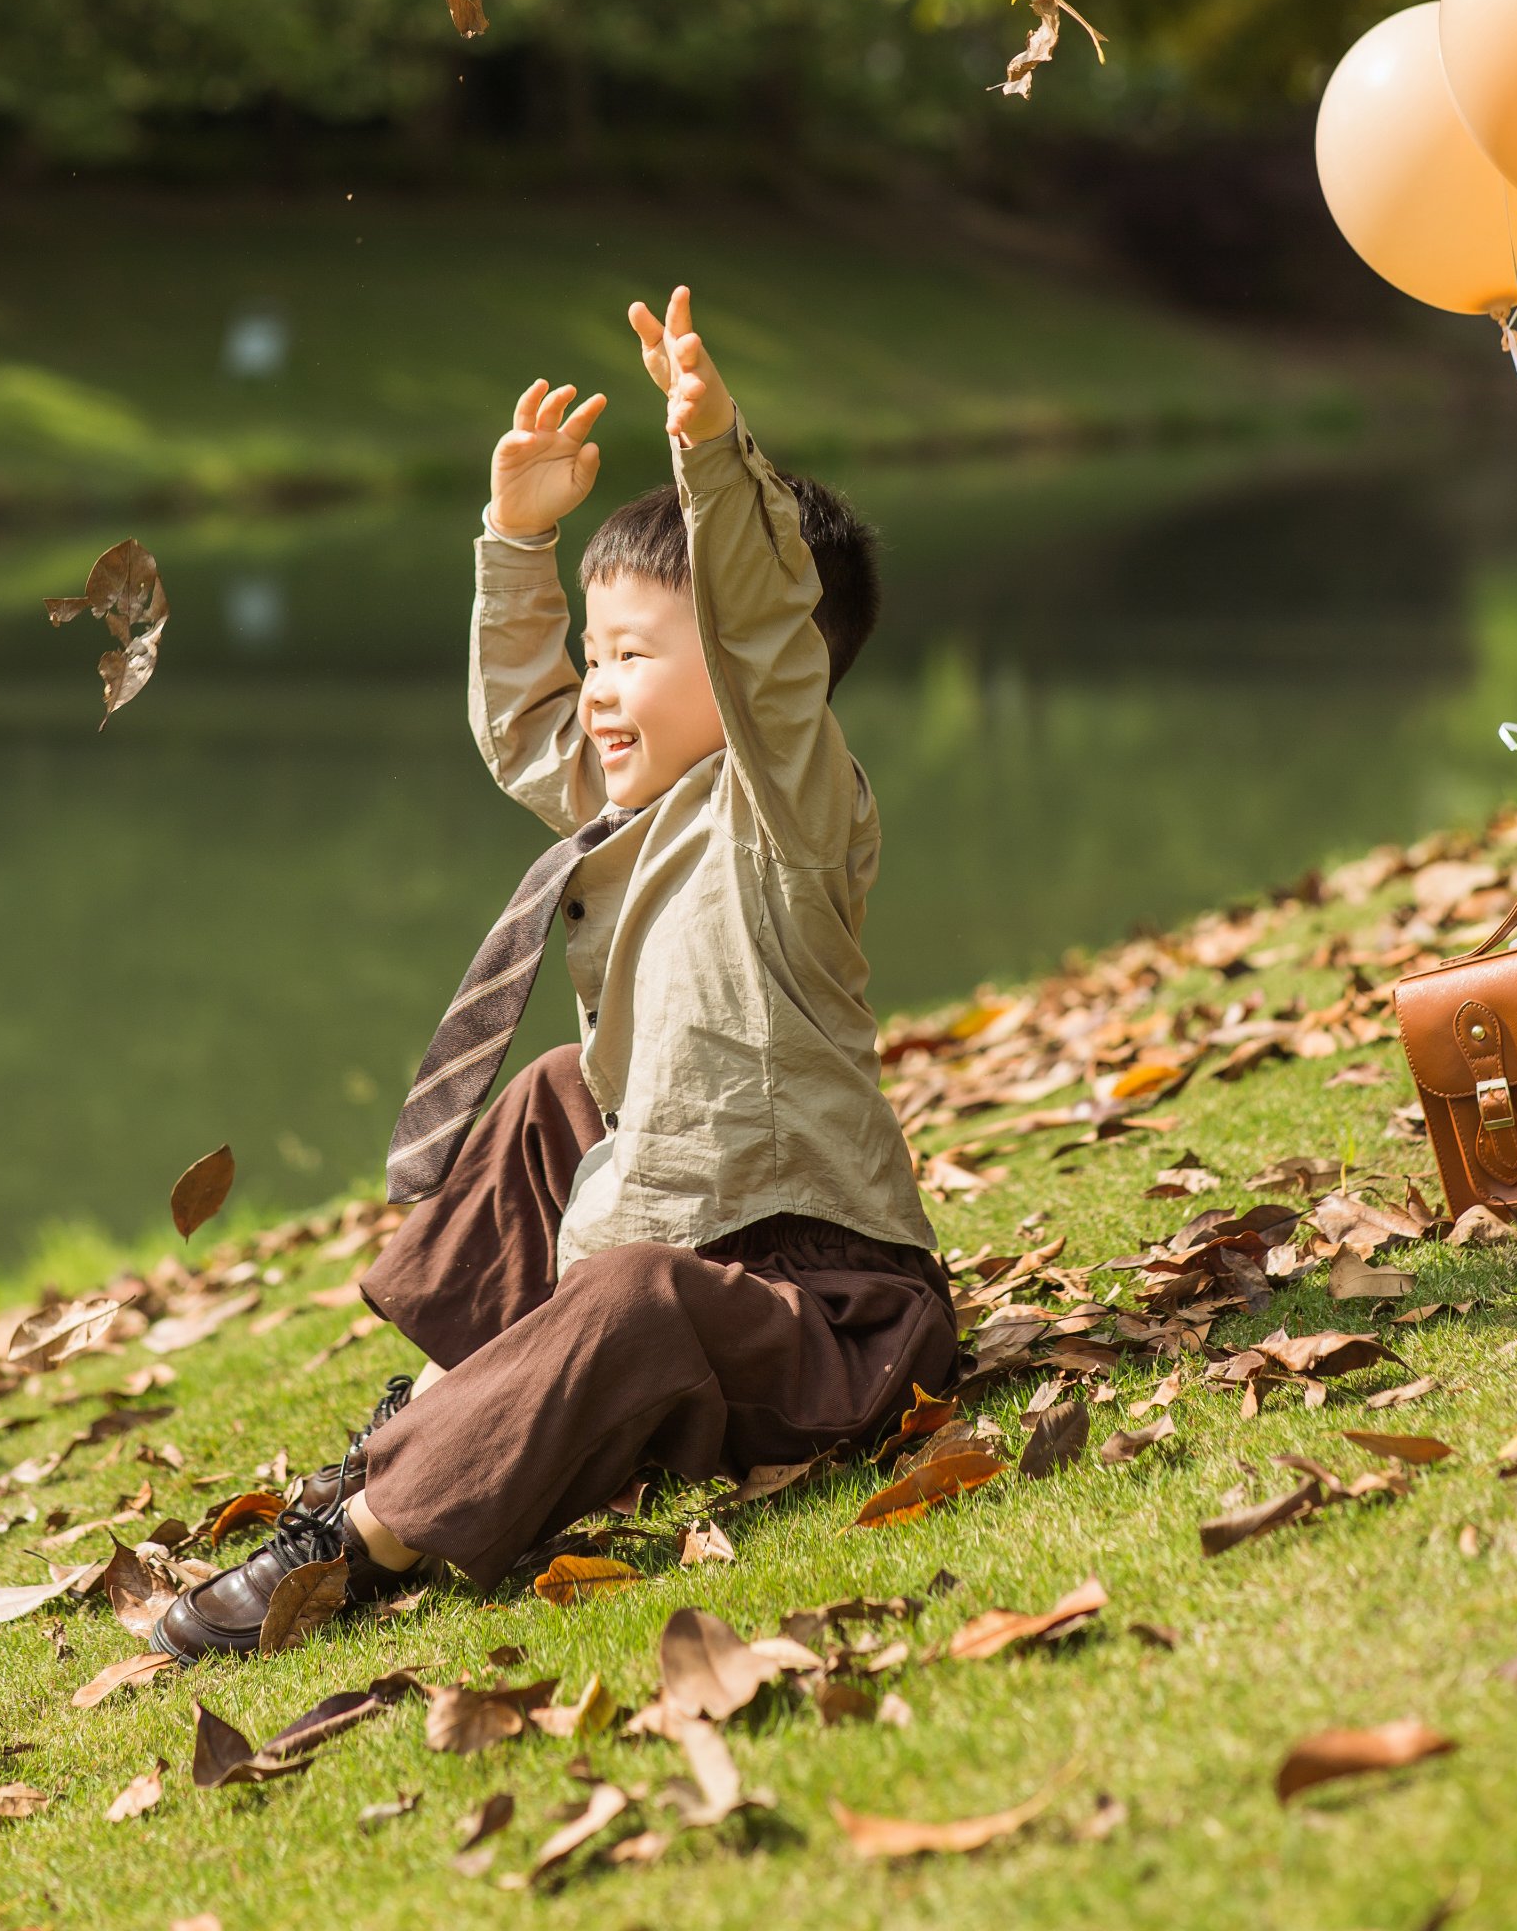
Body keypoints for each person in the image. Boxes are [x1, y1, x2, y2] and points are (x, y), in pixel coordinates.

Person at [155, 286, 953, 1659]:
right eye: (598, 651)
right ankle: (435, 1415)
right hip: (686, 1246)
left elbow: (765, 647)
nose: (595, 686)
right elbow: (528, 731)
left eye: (633, 656)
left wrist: (715, 460)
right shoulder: (639, 810)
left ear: (770, 677)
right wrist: (517, 541)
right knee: (544, 1096)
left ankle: (363, 1543)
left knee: (636, 1289)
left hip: (826, 1325)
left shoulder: (790, 813)